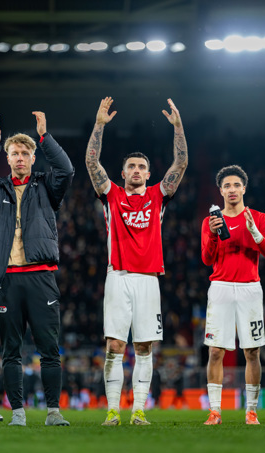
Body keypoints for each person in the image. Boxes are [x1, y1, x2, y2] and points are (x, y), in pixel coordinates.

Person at [85, 97, 188, 426]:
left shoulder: (158, 195)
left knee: (144, 347)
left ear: (149, 173)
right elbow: (91, 162)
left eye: (142, 167)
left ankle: (139, 410)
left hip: (148, 279)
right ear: (123, 172)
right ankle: (113, 411)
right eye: (131, 167)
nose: (137, 171)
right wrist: (99, 125)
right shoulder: (111, 195)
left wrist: (178, 128)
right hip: (118, 276)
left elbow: (180, 164)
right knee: (115, 345)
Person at [0, 112, 74, 427]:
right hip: (8, 280)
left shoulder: (46, 187)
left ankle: (53, 412)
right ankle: (18, 414)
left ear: (32, 158)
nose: (20, 158)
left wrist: (45, 137)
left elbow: (66, 170)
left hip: (41, 276)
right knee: (10, 351)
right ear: (7, 158)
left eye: (25, 153)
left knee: (49, 350)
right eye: (14, 153)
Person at [201, 165, 265, 425]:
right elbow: (206, 259)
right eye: (227, 186)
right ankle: (215, 411)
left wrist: (254, 231)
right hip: (220, 287)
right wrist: (213, 234)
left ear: (244, 188)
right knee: (215, 352)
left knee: (252, 352)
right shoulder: (210, 221)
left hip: (249, 288)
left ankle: (251, 411)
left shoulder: (259, 218)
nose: (232, 189)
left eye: (236, 185)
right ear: (220, 191)